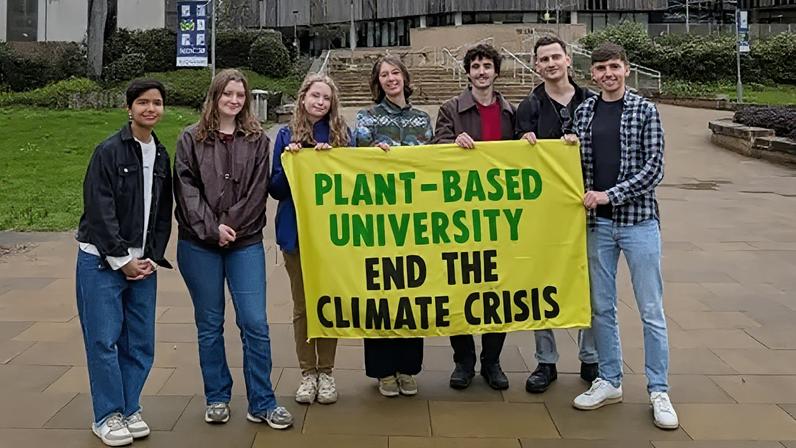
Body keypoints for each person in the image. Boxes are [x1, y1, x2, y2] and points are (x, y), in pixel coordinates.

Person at [566, 43, 678, 430]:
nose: (608, 74)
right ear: (593, 74)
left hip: (639, 223)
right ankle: (609, 379)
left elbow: (654, 169)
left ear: (626, 69)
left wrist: (609, 195)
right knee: (601, 308)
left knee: (651, 310)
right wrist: (563, 147)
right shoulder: (584, 112)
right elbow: (573, 164)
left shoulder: (645, 110)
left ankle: (659, 389)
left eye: (614, 66)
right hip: (598, 226)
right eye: (601, 68)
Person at [173, 69, 292, 429]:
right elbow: (186, 189)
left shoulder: (257, 140)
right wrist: (212, 228)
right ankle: (217, 397)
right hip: (198, 244)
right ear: (215, 96)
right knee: (210, 324)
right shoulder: (190, 138)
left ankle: (262, 401)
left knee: (254, 322)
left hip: (245, 242)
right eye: (228, 93)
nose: (235, 100)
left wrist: (230, 227)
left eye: (240, 95)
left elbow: (257, 191)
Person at [75, 79, 173, 446]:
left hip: (143, 264)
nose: (150, 108)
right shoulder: (108, 151)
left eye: (157, 103)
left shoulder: (160, 154)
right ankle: (107, 415)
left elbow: (162, 211)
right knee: (104, 340)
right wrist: (121, 258)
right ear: (128, 108)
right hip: (102, 261)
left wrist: (152, 255)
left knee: (140, 342)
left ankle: (130, 407)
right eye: (143, 102)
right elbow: (99, 211)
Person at [515, 35, 600, 394]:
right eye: (544, 59)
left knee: (590, 283)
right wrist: (524, 145)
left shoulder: (591, 102)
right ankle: (545, 361)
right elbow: (516, 160)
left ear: (568, 60)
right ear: (536, 66)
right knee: (540, 283)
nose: (550, 64)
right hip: (544, 212)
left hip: (586, 207)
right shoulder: (529, 106)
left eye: (556, 57)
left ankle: (591, 357)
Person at [432, 43, 515, 391]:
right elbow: (436, 149)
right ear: (468, 72)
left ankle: (492, 360)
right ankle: (463, 361)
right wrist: (451, 144)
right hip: (461, 217)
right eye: (476, 66)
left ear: (496, 71)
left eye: (487, 66)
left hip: (499, 218)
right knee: (459, 287)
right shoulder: (450, 109)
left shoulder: (511, 112)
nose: (482, 72)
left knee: (499, 289)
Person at [270, 73, 354, 405]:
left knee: (329, 303)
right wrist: (291, 162)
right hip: (296, 232)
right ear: (303, 97)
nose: (320, 102)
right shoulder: (285, 134)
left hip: (332, 234)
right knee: (303, 305)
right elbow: (275, 188)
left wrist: (330, 160)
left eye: (326, 98)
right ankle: (308, 372)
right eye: (315, 96)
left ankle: (327, 371)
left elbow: (352, 181)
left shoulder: (342, 134)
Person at [355, 54, 433, 397]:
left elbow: (433, 162)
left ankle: (408, 367)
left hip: (414, 218)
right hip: (379, 219)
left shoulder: (423, 119)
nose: (391, 79)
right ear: (378, 82)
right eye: (384, 75)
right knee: (381, 291)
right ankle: (383, 370)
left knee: (412, 290)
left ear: (405, 77)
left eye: (395, 72)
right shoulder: (367, 118)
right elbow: (357, 159)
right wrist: (374, 152)